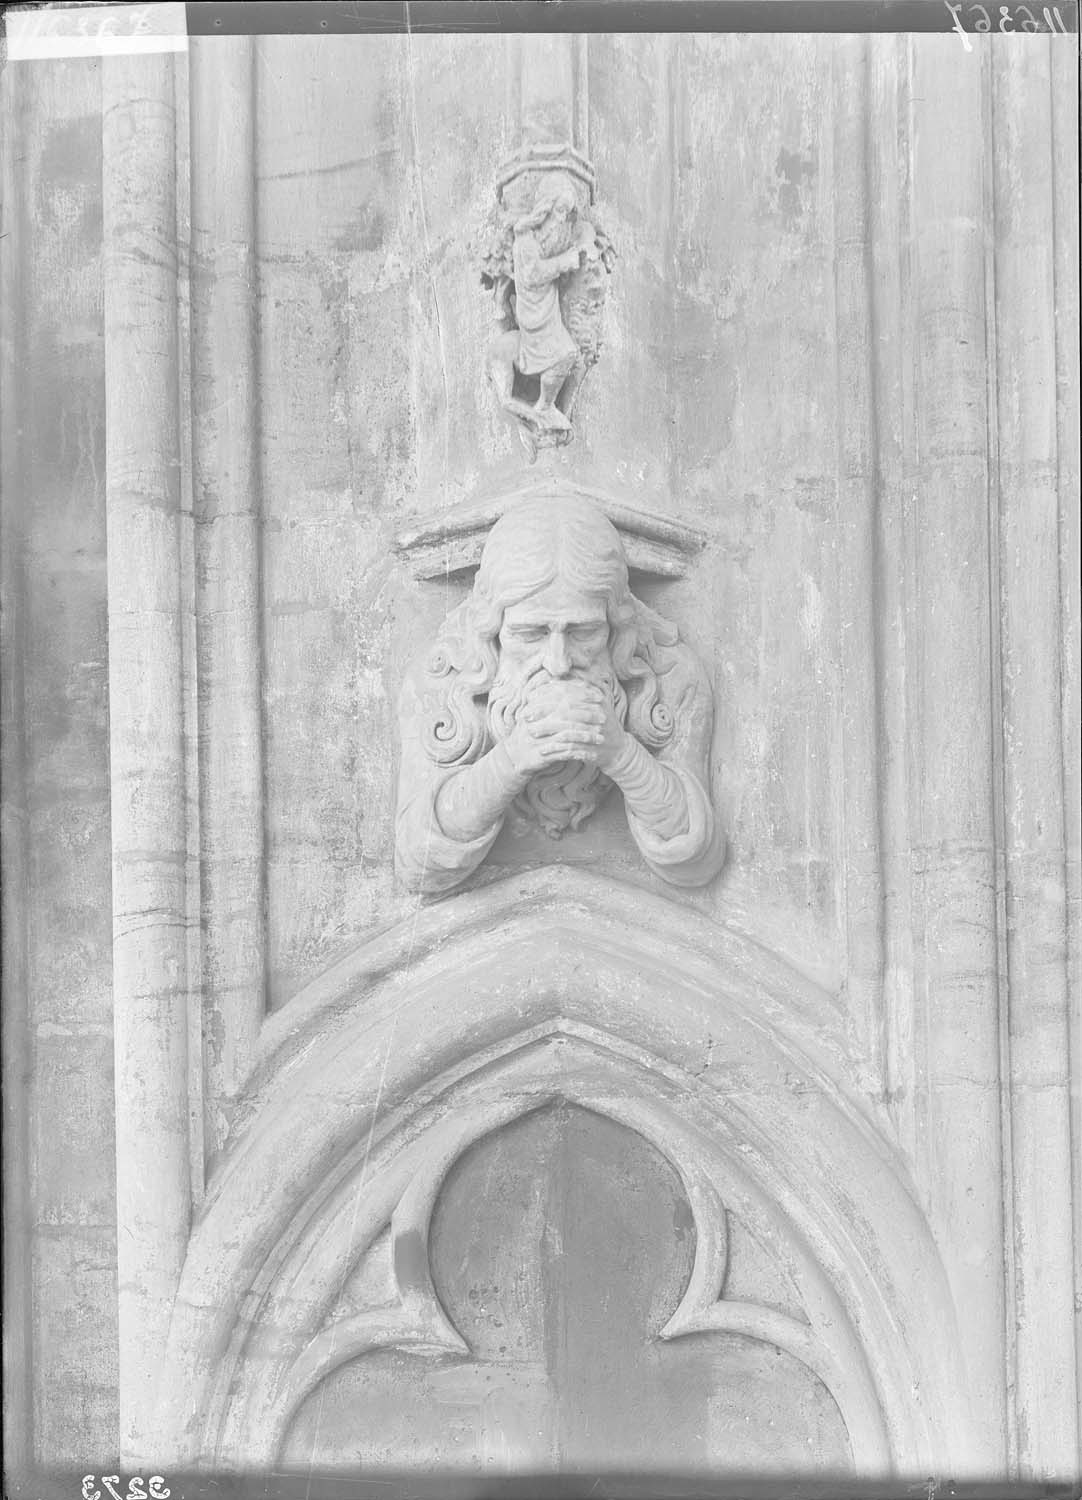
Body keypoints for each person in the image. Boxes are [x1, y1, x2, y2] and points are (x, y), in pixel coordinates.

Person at [395, 496, 725, 897]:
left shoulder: (669, 674)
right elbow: (421, 864)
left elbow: (697, 859)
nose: (558, 661)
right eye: (529, 634)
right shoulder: (443, 679)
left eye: (584, 633)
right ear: (491, 631)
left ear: (617, 627)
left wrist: (621, 754)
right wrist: (511, 759)